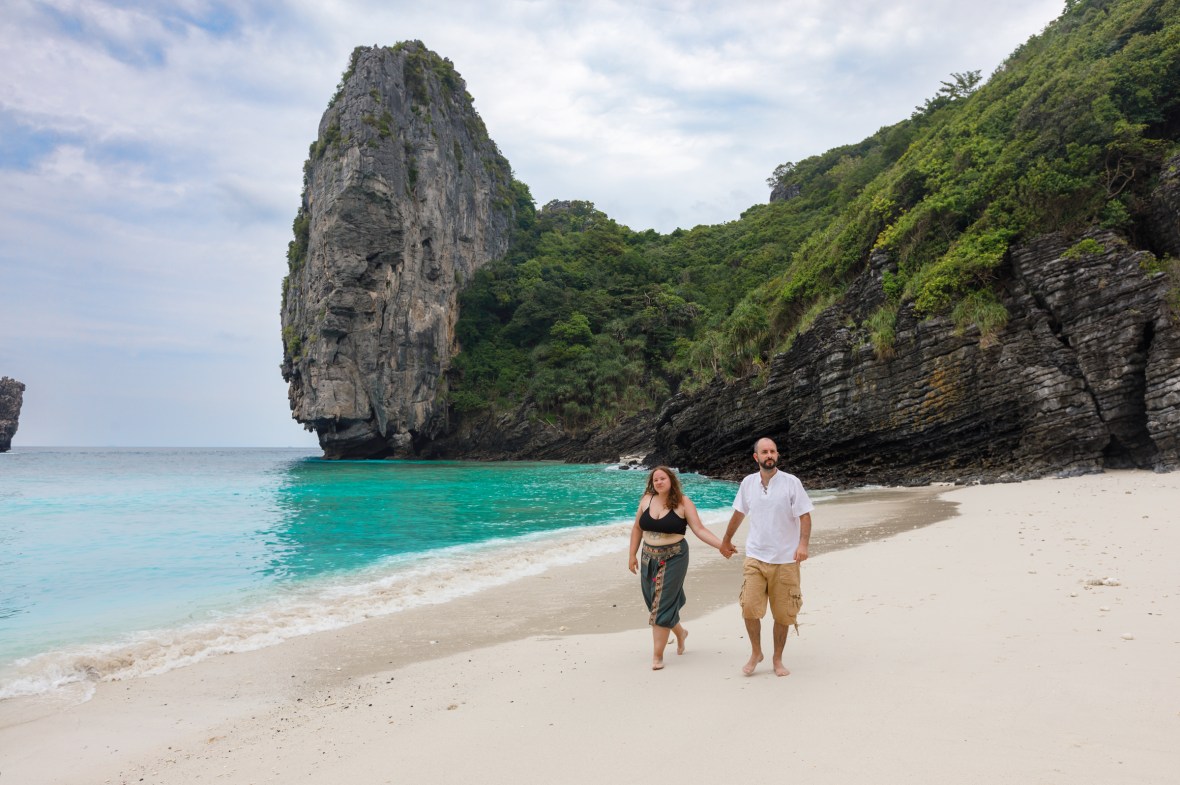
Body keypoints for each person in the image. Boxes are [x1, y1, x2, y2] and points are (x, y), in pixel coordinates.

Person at [719, 437, 814, 677]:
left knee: (783, 613)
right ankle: (756, 652)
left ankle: (777, 658)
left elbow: (804, 515)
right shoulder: (748, 483)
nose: (769, 455)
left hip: (785, 559)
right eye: (764, 452)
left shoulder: (791, 483)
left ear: (777, 455)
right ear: (756, 457)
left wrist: (803, 544)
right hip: (755, 557)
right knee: (749, 607)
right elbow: (739, 513)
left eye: (772, 451)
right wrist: (726, 540)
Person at [628, 465, 729, 670]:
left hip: (674, 556)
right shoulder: (646, 500)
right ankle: (681, 633)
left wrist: (722, 545)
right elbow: (637, 527)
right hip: (648, 557)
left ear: (671, 480)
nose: (658, 482)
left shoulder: (683, 502)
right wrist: (632, 555)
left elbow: (699, 529)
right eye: (655, 479)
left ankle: (657, 656)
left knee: (662, 605)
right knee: (653, 603)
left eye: (662, 478)